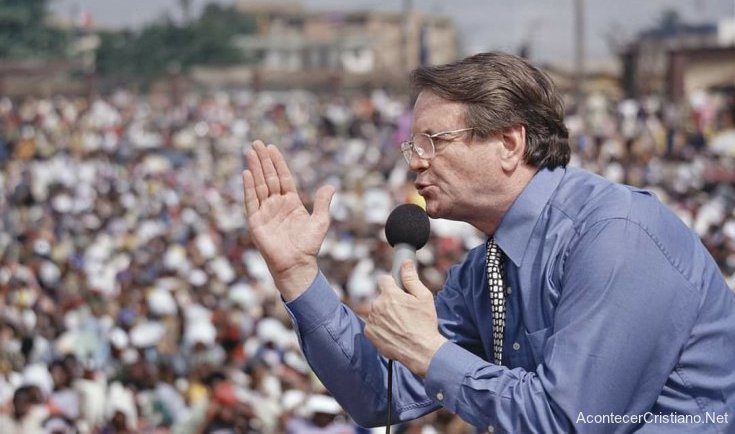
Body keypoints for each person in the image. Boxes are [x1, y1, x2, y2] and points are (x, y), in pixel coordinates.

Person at [241, 52, 735, 433]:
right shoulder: (487, 268)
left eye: (434, 141)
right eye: (413, 145)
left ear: (509, 144)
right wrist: (297, 274)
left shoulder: (615, 235)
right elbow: (379, 392)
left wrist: (431, 354)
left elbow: (568, 422)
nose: (415, 161)